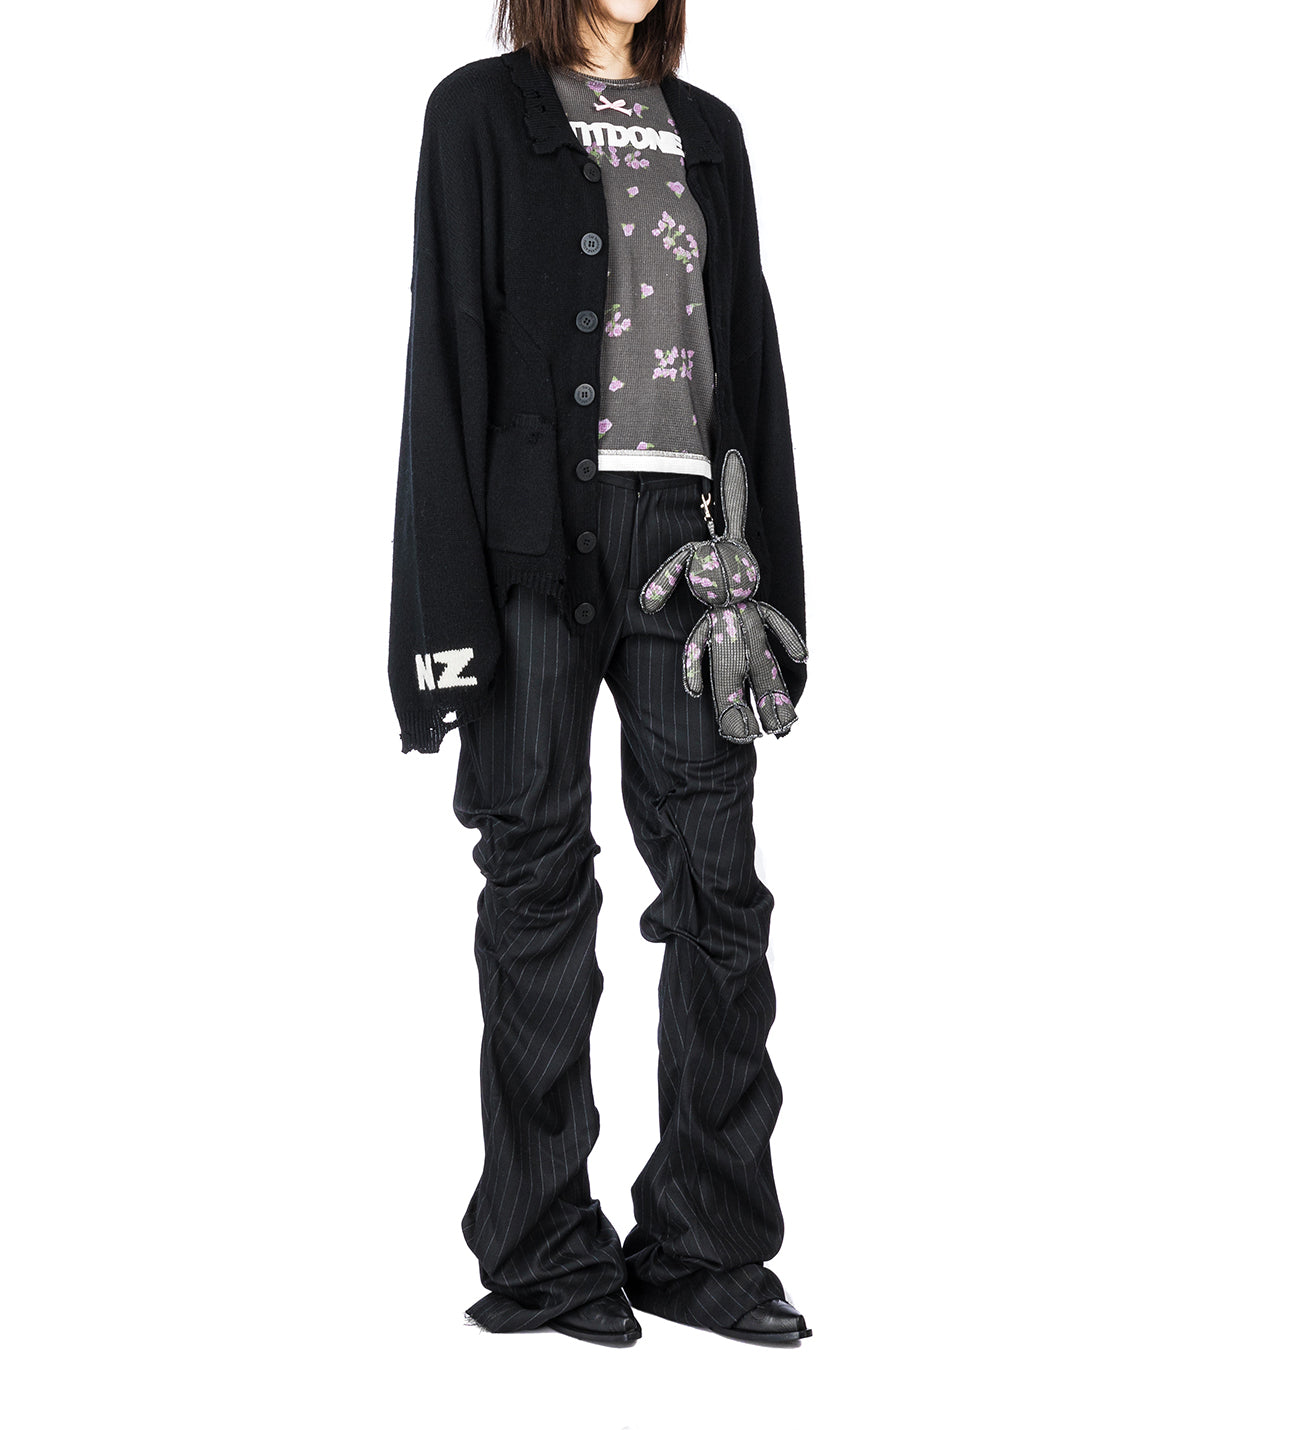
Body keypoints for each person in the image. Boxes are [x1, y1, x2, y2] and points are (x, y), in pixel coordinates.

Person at [388, 0, 812, 1346]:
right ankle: (542, 1250)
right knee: (536, 876)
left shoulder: (710, 130)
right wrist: (439, 613)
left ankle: (705, 1243)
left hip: (693, 548)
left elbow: (750, 358)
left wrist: (779, 581)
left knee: (719, 888)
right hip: (531, 544)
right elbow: (446, 350)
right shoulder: (477, 111)